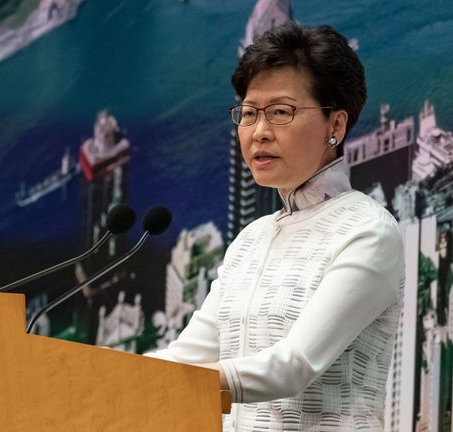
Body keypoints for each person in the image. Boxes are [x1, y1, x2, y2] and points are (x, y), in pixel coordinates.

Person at [145, 21, 404, 431]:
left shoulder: (369, 230)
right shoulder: (250, 240)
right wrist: (87, 371)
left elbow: (294, 365)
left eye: (281, 112)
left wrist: (178, 381)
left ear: (335, 127)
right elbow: (186, 355)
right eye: (248, 113)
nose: (259, 132)